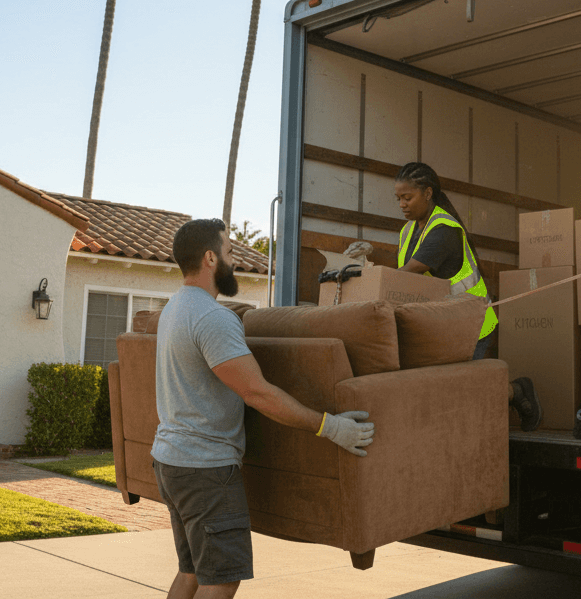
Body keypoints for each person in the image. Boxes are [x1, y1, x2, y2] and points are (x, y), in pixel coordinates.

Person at [152, 218, 375, 599]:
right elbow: (258, 393)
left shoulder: (174, 307)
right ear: (209, 258)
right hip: (205, 471)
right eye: (228, 251)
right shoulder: (212, 318)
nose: (234, 259)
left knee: (191, 572)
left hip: (171, 462)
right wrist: (330, 426)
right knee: (220, 579)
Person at [394, 162, 543, 431]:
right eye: (398, 199)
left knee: (461, 388)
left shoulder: (444, 229)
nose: (402, 204)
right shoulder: (408, 230)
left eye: (408, 197)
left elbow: (410, 272)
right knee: (450, 386)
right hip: (443, 324)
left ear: (428, 193)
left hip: (472, 322)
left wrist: (373, 279)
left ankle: (516, 392)